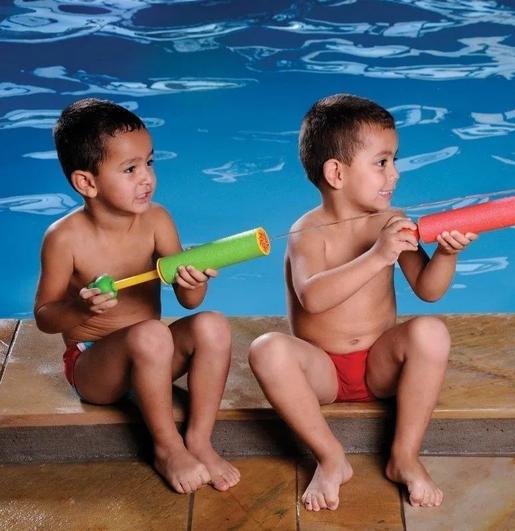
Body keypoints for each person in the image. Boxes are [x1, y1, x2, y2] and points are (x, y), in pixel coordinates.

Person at [248, 94, 476, 511]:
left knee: (431, 332)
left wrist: (446, 254)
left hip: (378, 364)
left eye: (394, 160)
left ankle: (404, 457)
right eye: (382, 162)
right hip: (323, 373)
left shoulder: (390, 222)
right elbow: (312, 298)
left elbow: (428, 289)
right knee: (266, 349)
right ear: (336, 172)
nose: (395, 173)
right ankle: (331, 458)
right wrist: (377, 256)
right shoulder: (307, 232)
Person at [34, 98, 239, 494]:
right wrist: (79, 306)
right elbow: (44, 316)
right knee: (150, 333)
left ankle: (198, 439)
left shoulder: (157, 220)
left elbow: (189, 302)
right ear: (87, 183)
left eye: (149, 162)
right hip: (96, 366)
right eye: (130, 169)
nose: (146, 178)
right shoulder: (64, 239)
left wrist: (193, 279)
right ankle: (167, 447)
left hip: (154, 358)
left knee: (213, 325)